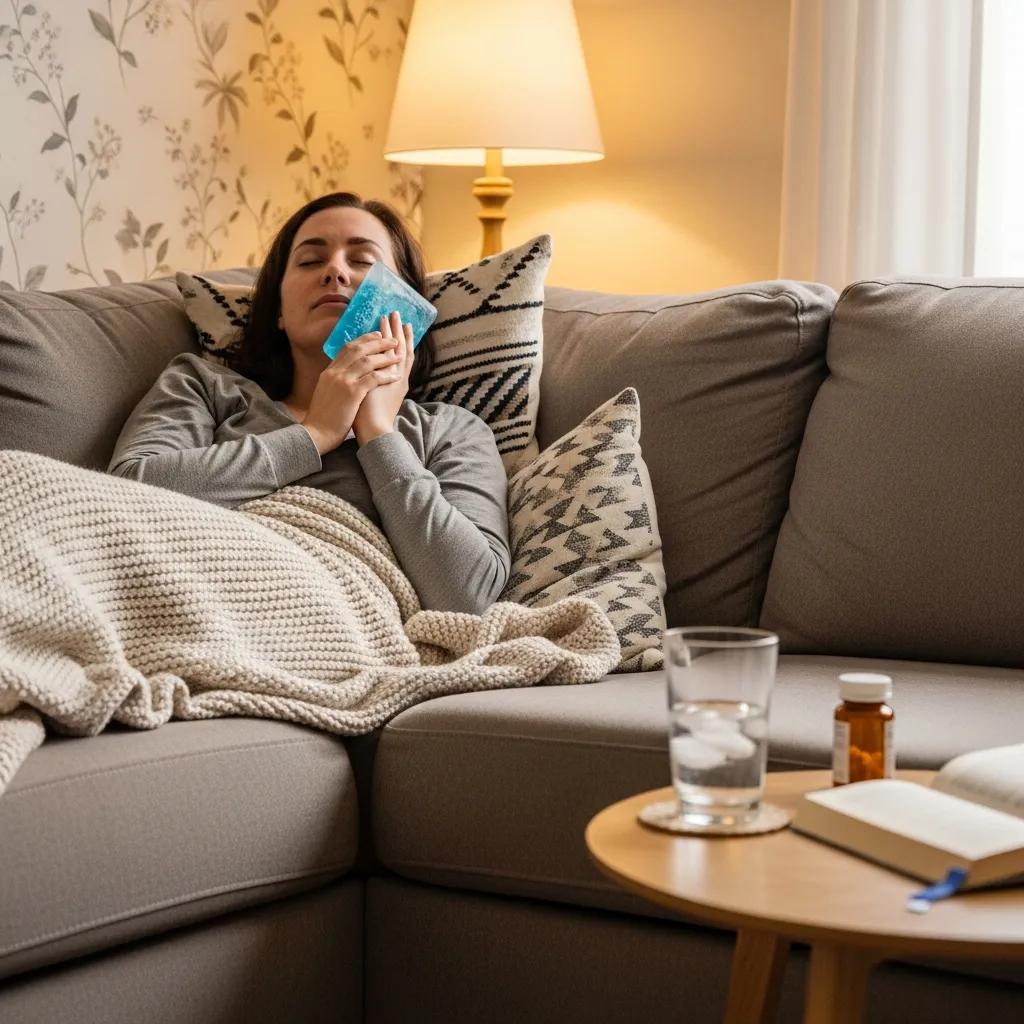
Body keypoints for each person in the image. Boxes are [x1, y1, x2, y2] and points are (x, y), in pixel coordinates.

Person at [108, 192, 510, 615]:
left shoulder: (451, 429)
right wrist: (315, 434)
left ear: (405, 303)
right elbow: (124, 494)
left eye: (362, 261)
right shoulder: (205, 386)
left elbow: (470, 597)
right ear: (279, 309)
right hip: (193, 599)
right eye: (310, 261)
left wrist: (378, 434)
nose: (335, 270)